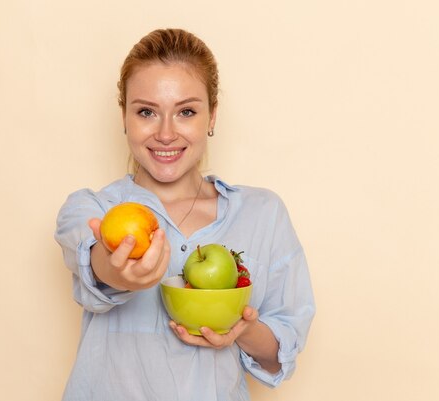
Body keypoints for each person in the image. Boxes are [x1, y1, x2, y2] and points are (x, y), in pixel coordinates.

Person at [55, 28, 315, 401]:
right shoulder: (92, 210)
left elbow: (281, 348)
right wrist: (122, 271)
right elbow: (97, 266)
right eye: (146, 111)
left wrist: (239, 328)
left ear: (211, 117)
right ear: (124, 117)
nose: (165, 133)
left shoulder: (263, 214)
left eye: (186, 112)